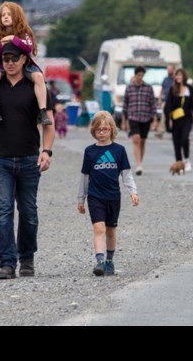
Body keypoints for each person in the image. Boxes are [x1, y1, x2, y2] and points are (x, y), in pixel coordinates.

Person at [0, 41, 55, 280]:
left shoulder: (34, 84)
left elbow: (49, 123)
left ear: (23, 60)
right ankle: (7, 262)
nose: (9, 63)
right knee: (4, 210)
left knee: (29, 212)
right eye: (5, 59)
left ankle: (27, 258)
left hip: (29, 157)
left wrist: (47, 151)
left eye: (14, 59)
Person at [77, 111, 139, 277]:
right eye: (98, 130)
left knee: (111, 231)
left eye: (105, 129)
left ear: (112, 129)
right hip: (95, 196)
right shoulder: (89, 152)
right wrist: (81, 199)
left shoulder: (119, 151)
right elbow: (84, 177)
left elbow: (126, 174)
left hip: (113, 197)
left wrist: (133, 192)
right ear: (93, 132)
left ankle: (110, 260)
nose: (102, 132)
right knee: (99, 228)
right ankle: (100, 262)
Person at [0, 2, 53, 126]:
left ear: (16, 16)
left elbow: (28, 48)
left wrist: (12, 39)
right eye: (3, 15)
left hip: (25, 65)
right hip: (2, 66)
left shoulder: (24, 32)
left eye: (9, 14)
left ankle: (42, 111)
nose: (5, 17)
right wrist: (2, 45)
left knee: (38, 77)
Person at [121, 66, 156, 176]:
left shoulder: (149, 88)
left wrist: (155, 120)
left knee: (143, 141)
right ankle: (138, 164)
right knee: (136, 139)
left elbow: (153, 105)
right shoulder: (129, 88)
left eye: (142, 75)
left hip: (146, 117)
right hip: (133, 117)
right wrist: (124, 120)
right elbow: (125, 105)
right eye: (138, 75)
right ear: (135, 75)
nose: (140, 77)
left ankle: (140, 161)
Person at [164, 68, 193, 172]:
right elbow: (168, 105)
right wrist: (169, 119)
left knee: (184, 138)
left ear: (184, 76)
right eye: (176, 75)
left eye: (180, 75)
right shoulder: (172, 89)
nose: (178, 77)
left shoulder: (190, 89)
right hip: (175, 119)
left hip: (187, 118)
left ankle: (186, 160)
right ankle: (179, 163)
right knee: (176, 141)